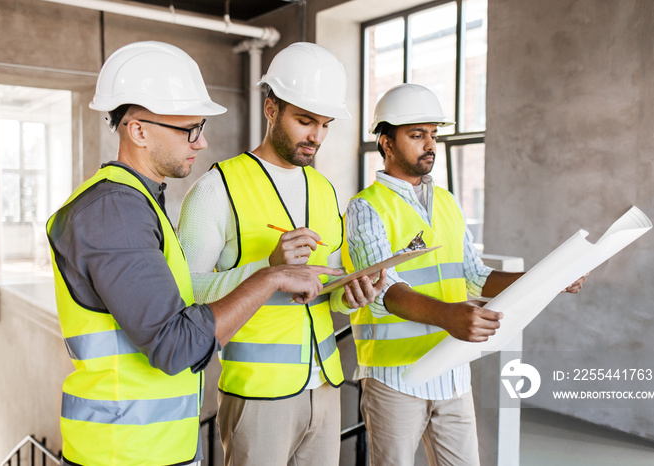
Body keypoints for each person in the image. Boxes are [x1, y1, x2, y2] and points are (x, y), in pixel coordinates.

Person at [46, 41, 341, 466]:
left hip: (154, 445)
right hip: (123, 450)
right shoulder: (113, 211)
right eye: (189, 129)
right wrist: (269, 275)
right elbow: (175, 344)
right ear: (139, 130)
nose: (201, 143)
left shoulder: (141, 203)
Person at [343, 83, 586, 466]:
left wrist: (546, 278)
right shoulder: (365, 208)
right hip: (394, 378)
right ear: (387, 143)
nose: (430, 144)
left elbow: (475, 275)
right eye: (417, 134)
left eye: (434, 135)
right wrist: (449, 316)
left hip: (452, 372)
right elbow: (384, 291)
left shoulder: (448, 203)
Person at [177, 42, 386, 466]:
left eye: (325, 124)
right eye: (305, 121)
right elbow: (189, 295)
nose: (317, 136)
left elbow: (325, 284)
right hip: (257, 394)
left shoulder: (325, 190)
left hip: (326, 389)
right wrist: (266, 269)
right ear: (271, 108)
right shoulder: (216, 190)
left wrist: (352, 292)